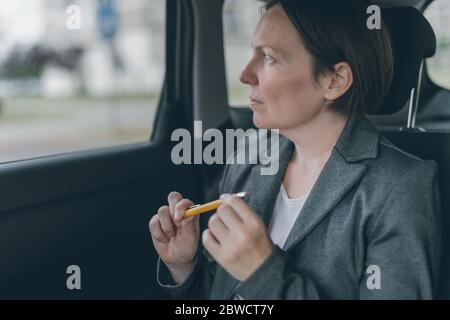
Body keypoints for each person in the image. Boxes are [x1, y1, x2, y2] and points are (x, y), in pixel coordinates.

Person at [149, 0, 442, 299]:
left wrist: (260, 273)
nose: (245, 74)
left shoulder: (399, 188)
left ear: (335, 79)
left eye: (268, 57)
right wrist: (182, 266)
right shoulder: (249, 156)